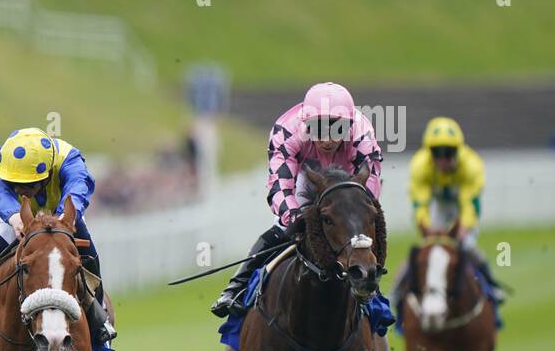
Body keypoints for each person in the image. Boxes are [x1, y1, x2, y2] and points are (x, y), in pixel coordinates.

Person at [211, 82, 384, 318]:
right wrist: (295, 218)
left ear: (349, 125)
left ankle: (372, 286)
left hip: (347, 181)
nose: (327, 139)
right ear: (306, 124)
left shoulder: (363, 134)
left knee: (363, 228)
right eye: (318, 129)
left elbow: (370, 188)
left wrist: (356, 214)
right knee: (283, 228)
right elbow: (280, 185)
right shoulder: (287, 130)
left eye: (337, 129)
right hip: (306, 174)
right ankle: (236, 287)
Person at [0, 126, 115, 345]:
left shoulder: (70, 160)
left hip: (58, 209)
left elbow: (77, 191)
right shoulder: (2, 161)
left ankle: (98, 314)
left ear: (47, 175)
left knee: (86, 250)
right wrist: (12, 216)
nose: (20, 189)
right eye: (15, 183)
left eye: (27, 184)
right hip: (9, 210)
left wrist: (61, 220)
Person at [401, 116, 503, 299]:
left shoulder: (472, 165)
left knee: (467, 246)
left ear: (458, 151)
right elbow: (420, 204)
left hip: (461, 208)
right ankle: (398, 291)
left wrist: (463, 229)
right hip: (438, 206)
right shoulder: (419, 165)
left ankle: (491, 284)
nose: (442, 159)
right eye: (436, 153)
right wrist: (425, 228)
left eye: (448, 153)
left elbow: (470, 205)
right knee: (426, 248)